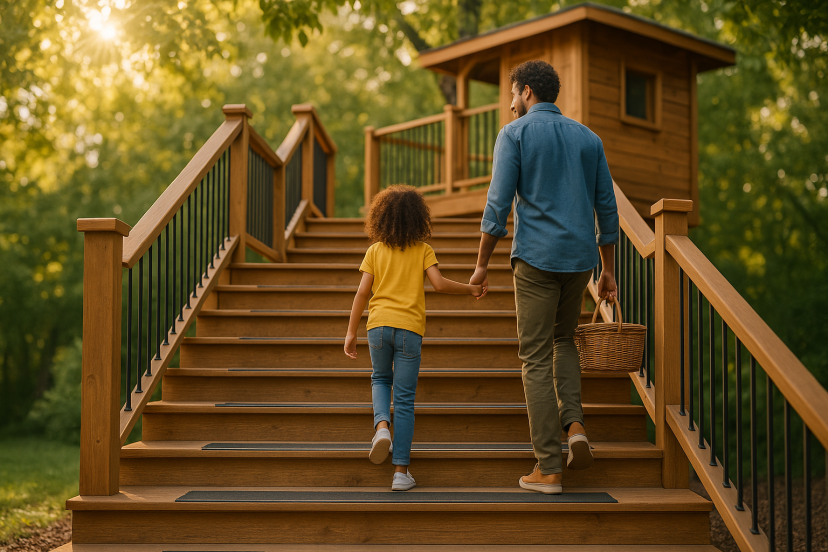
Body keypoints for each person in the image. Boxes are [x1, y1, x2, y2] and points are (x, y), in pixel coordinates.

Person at [470, 60, 619, 494]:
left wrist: (482, 263)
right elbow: (606, 207)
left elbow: (497, 204)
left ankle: (549, 468)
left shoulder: (513, 134)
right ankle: (575, 427)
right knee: (564, 340)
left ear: (527, 91)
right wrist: (608, 270)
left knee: (535, 357)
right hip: (580, 262)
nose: (510, 104)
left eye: (512, 94)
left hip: (536, 259)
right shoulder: (588, 138)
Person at [344, 185, 483, 491]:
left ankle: (382, 427)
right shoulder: (423, 250)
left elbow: (362, 293)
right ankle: (400, 472)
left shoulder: (375, 251)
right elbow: (439, 284)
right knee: (405, 400)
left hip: (377, 328)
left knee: (380, 379)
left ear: (381, 218)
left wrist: (351, 331)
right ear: (418, 219)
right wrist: (471, 289)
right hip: (409, 329)